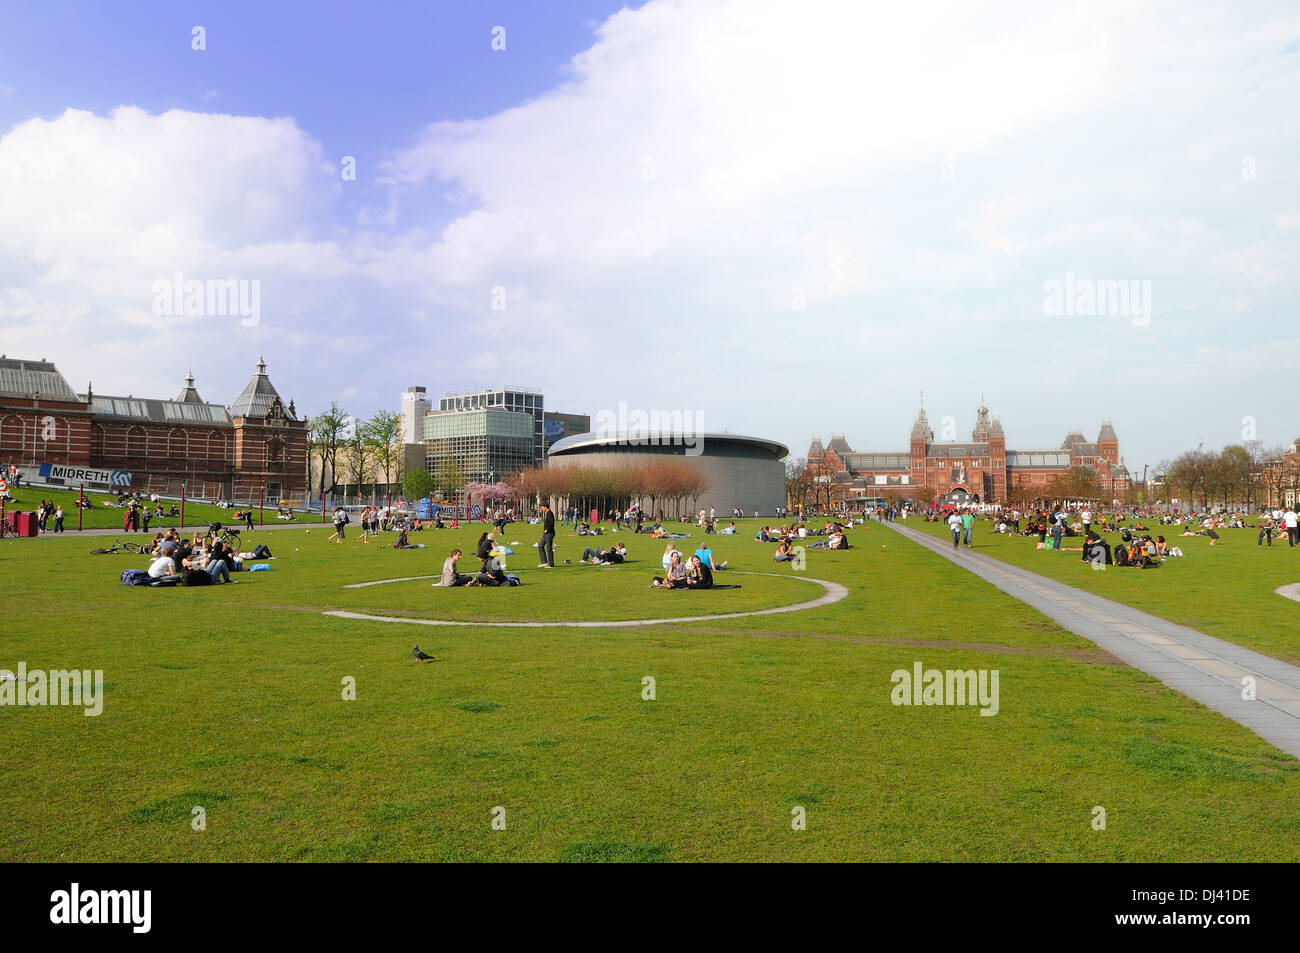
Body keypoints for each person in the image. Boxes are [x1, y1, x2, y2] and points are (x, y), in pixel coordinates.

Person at [538, 502, 555, 568]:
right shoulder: (547, 513)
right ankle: (544, 562)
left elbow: (551, 523)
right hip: (546, 534)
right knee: (540, 546)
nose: (541, 509)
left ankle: (551, 564)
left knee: (549, 548)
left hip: (549, 533)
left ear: (545, 507)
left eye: (542, 507)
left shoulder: (550, 513)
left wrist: (547, 529)